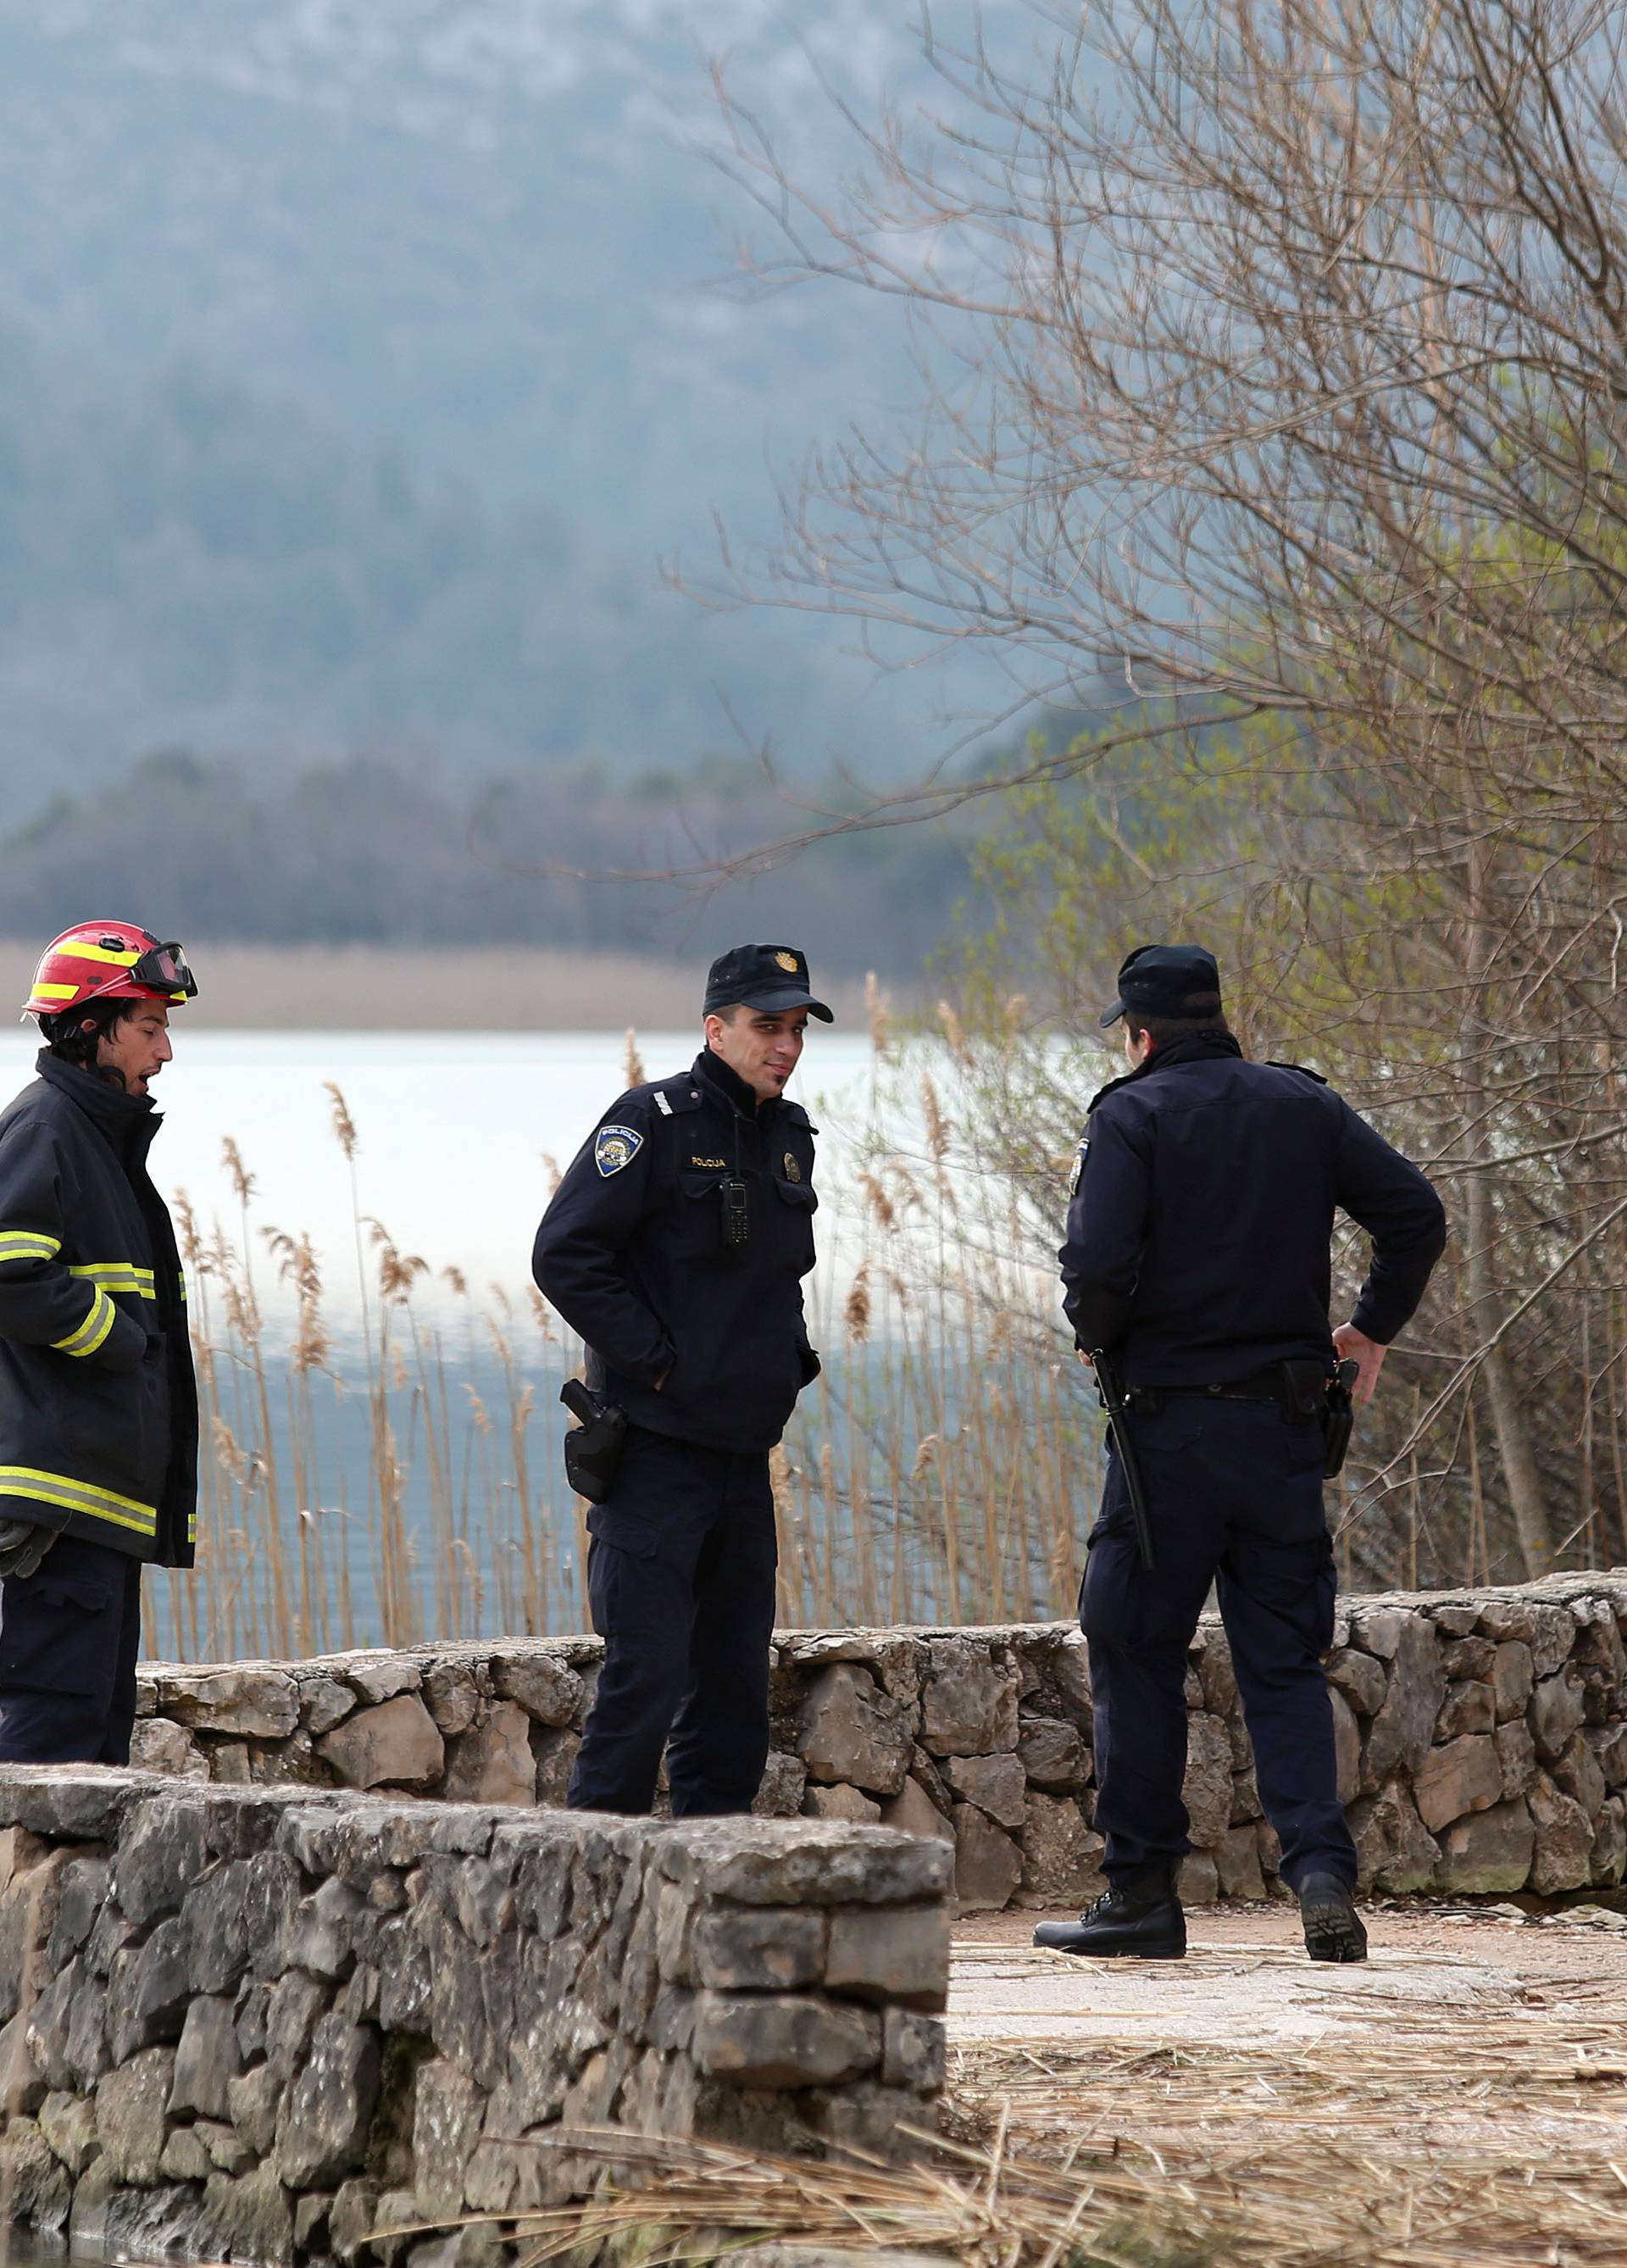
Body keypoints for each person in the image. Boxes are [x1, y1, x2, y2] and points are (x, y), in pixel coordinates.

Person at [1037, 944, 1446, 1965]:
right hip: (1282, 1435)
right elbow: (1415, 1215)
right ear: (1220, 1019)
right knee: (1282, 1661)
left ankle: (1140, 1894)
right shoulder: (1301, 1106)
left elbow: (1093, 1268)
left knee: (1133, 1645)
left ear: (1138, 1036)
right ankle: (1318, 1875)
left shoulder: (1128, 1116)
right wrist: (1371, 1330)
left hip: (1164, 1437)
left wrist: (1102, 1329)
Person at [533, 942, 830, 1815]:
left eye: (797, 1029)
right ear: (716, 1028)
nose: (785, 1045)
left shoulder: (789, 1135)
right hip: (656, 1455)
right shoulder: (653, 1122)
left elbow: (781, 1272)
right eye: (766, 1026)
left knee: (736, 1683)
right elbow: (566, 1255)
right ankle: (591, 1872)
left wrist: (790, 1359)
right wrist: (659, 1363)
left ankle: (718, 1874)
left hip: (743, 1454)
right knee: (646, 1676)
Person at [0, 923, 201, 1765]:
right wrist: (117, 1341)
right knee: (54, 1759)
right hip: (60, 1507)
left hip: (98, 1509)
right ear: (91, 1028)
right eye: (149, 1027)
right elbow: (9, 1272)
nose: (164, 1052)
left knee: (95, 1757)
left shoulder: (98, 1137)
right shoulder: (48, 1128)